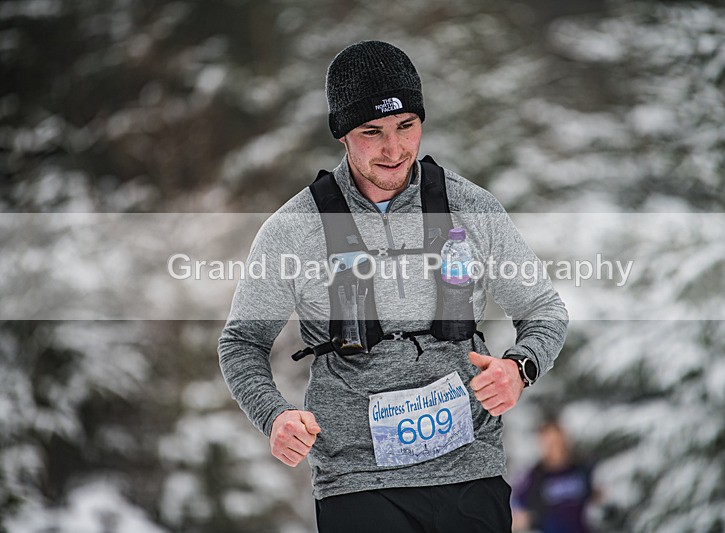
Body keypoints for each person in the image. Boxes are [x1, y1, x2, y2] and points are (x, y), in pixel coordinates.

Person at [218, 40, 569, 533]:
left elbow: (544, 310)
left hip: (469, 474)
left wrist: (520, 368)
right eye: (372, 132)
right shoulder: (295, 229)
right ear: (342, 135)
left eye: (406, 127)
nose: (394, 149)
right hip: (357, 482)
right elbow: (241, 343)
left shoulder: (470, 207)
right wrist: (274, 415)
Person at [511, 420, 598, 533]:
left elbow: (597, 498)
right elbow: (516, 512)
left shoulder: (582, 469)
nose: (555, 446)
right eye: (550, 442)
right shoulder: (534, 476)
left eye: (557, 440)